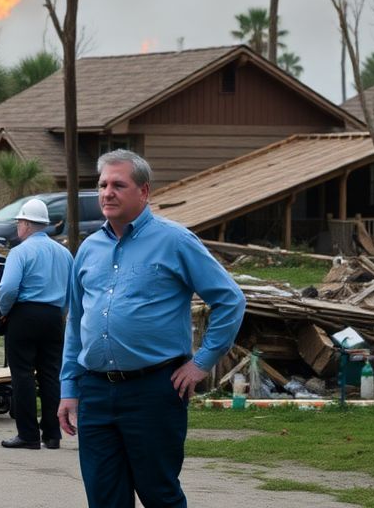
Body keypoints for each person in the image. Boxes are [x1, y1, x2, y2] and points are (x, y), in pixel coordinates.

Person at [58, 150, 245, 507]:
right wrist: (69, 388)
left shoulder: (175, 240)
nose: (107, 192)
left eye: (118, 185)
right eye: (102, 185)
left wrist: (201, 362)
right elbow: (76, 325)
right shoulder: (88, 249)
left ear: (144, 192)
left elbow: (230, 300)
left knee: (159, 495)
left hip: (154, 391)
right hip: (96, 392)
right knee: (104, 497)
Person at [0, 198, 73, 450]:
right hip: (53, 317)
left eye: (19, 222)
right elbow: (71, 290)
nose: (18, 226)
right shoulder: (64, 253)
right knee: (51, 374)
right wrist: (61, 312)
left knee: (22, 374)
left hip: (24, 314)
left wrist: (4, 311)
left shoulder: (20, 251)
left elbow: (8, 288)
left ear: (27, 224)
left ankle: (28, 434)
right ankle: (52, 434)